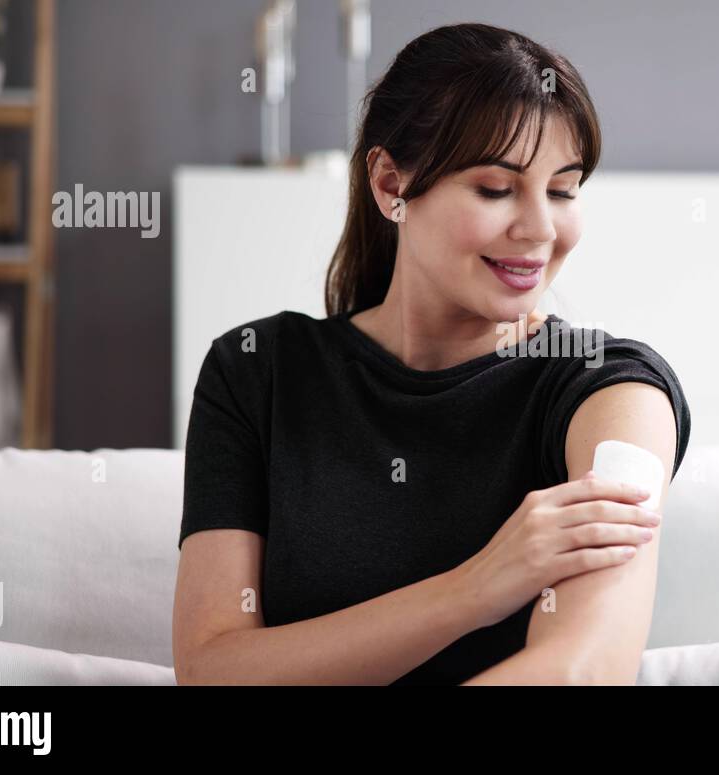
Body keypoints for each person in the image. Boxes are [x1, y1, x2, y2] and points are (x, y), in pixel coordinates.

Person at [172, 22, 691, 685]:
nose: (539, 229)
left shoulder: (617, 394)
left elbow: (581, 669)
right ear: (391, 185)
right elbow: (211, 668)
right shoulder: (255, 370)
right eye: (496, 189)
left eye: (563, 189)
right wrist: (474, 588)